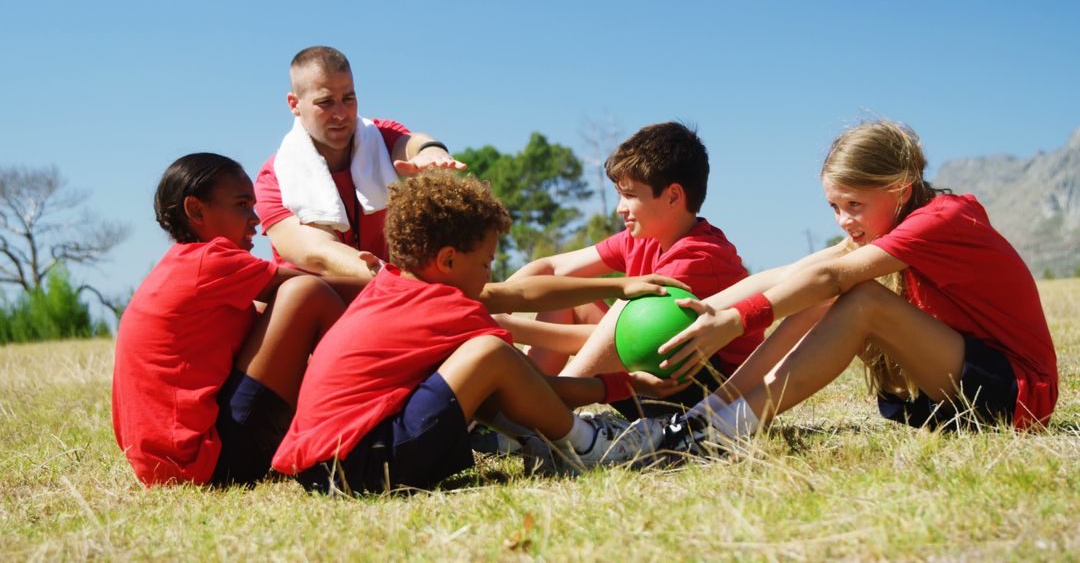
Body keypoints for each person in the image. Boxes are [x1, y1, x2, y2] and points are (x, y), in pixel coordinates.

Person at [621, 119, 1059, 459]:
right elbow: (790, 275)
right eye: (835, 206)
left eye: (855, 205)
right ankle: (706, 418)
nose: (845, 219)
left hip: (1018, 395)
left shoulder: (939, 221)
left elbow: (833, 278)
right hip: (964, 388)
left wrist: (737, 322)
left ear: (900, 189)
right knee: (821, 291)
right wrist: (708, 313)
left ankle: (720, 430)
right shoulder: (894, 225)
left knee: (860, 297)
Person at [271, 171, 688, 494]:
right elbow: (539, 386)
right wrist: (622, 385)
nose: (490, 274)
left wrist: (617, 284)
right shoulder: (446, 308)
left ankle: (545, 443)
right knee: (490, 355)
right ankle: (589, 447)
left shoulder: (400, 286)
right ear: (449, 260)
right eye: (486, 262)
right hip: (363, 466)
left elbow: (517, 292)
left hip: (327, 468)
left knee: (475, 373)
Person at [112, 153, 366, 486]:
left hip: (172, 466)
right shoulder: (210, 259)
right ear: (196, 210)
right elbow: (314, 289)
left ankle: (349, 417)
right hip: (208, 460)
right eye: (242, 205)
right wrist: (403, 280)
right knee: (307, 293)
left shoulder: (180, 266)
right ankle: (372, 415)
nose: (255, 219)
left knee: (280, 308)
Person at [499, 122, 762, 419]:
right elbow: (551, 268)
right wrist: (493, 305)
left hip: (707, 396)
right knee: (570, 293)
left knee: (623, 314)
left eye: (630, 195)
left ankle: (539, 411)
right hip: (657, 371)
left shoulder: (699, 256)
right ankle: (523, 405)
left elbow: (619, 339)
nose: (619, 208)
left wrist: (513, 328)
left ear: (673, 196)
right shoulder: (641, 238)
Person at [254, 45, 465, 281]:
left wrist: (431, 151)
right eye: (325, 102)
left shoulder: (377, 137)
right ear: (294, 104)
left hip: (385, 294)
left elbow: (411, 143)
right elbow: (319, 255)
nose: (341, 114)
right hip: (316, 306)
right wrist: (405, 282)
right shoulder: (274, 179)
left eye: (348, 98)